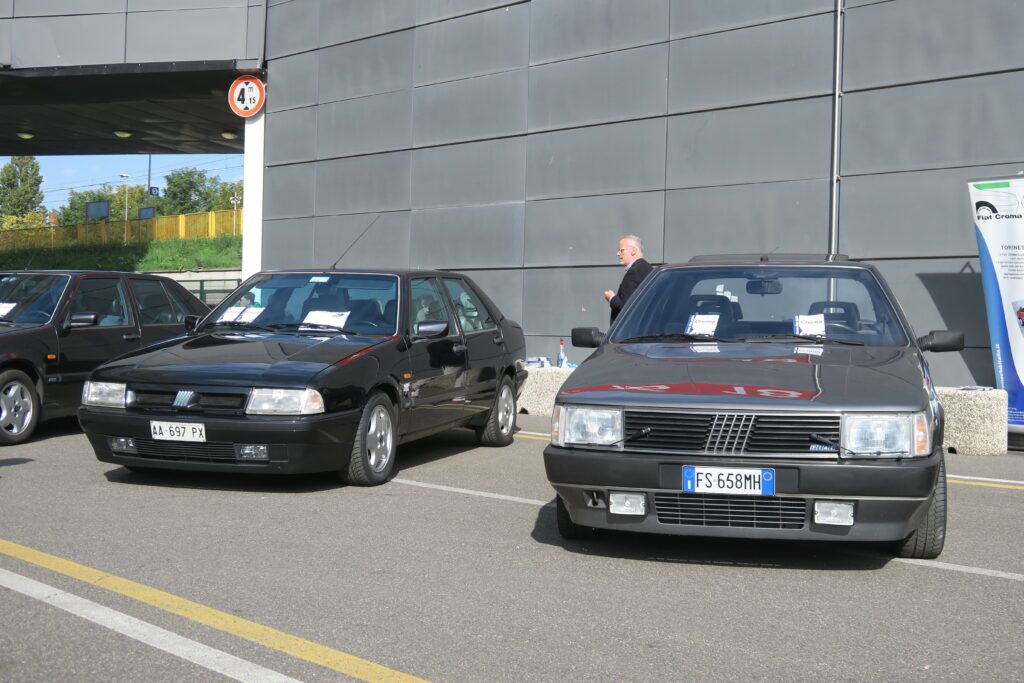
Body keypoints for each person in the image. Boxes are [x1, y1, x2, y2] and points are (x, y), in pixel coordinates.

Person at [604, 234, 654, 323]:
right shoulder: (646, 268)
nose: (617, 254)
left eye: (621, 250)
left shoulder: (634, 271)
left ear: (633, 251)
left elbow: (626, 307)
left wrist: (611, 298)